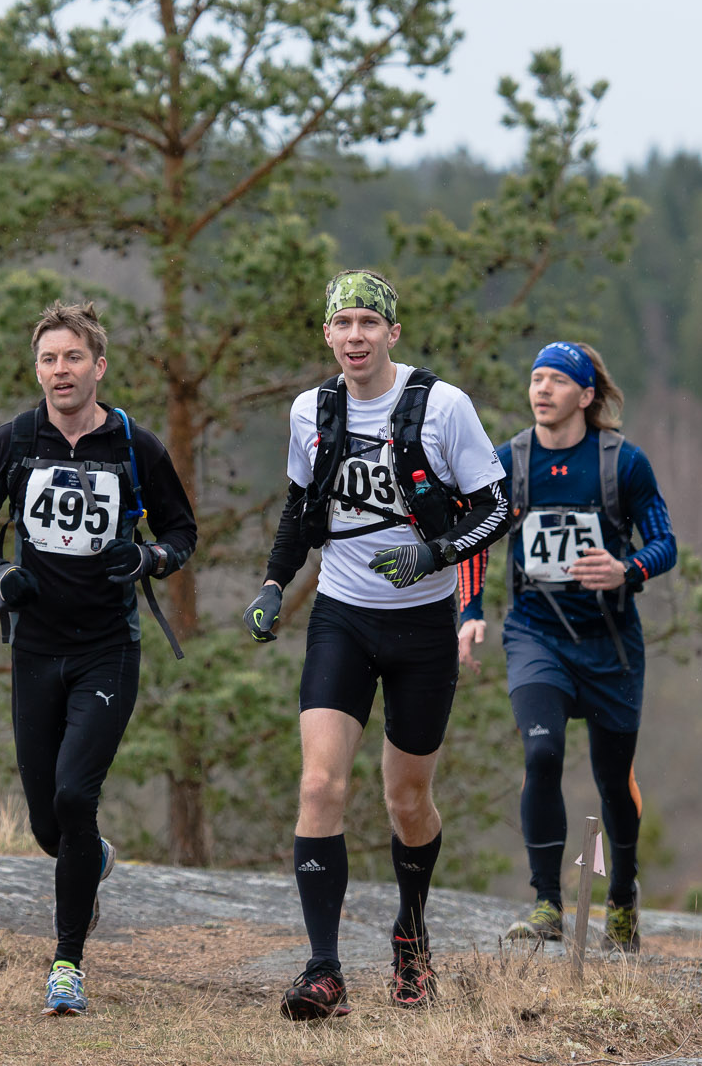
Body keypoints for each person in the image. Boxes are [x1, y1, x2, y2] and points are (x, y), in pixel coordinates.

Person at [244, 270, 511, 1019]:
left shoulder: (443, 407)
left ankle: (411, 934)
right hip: (342, 618)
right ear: (327, 334)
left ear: (392, 332)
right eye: (343, 323)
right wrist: (273, 583)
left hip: (422, 628)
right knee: (320, 787)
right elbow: (300, 506)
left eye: (369, 322)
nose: (355, 335)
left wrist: (435, 554)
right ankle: (323, 969)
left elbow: (497, 507)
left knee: (407, 798)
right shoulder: (311, 410)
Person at [0, 301, 197, 1017]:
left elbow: (181, 531)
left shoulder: (135, 446)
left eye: (73, 358)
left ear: (99, 366)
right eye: (49, 359)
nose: (61, 370)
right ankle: (94, 859)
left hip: (107, 649)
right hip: (35, 647)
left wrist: (148, 557)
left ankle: (66, 964)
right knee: (47, 827)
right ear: (38, 370)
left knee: (73, 797)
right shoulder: (12, 442)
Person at [465, 341, 675, 954]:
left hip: (610, 645)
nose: (542, 389)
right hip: (536, 637)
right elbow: (475, 537)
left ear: (586, 396)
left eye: (557, 380)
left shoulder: (622, 463)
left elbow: (664, 542)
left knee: (613, 781)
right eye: (536, 378)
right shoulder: (509, 462)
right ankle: (546, 904)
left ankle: (622, 899)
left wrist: (626, 569)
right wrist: (470, 613)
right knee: (542, 754)